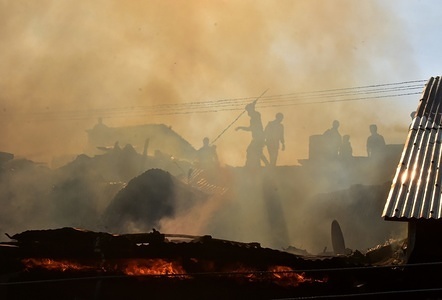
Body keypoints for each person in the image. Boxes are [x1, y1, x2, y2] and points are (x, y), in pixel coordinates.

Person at [236, 100, 269, 167]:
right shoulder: (254, 117)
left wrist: (240, 127)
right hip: (258, 137)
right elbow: (251, 128)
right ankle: (263, 165)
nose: (248, 113)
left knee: (251, 151)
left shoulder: (256, 116)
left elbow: (250, 128)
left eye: (248, 111)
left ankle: (249, 165)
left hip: (258, 138)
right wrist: (253, 105)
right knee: (258, 152)